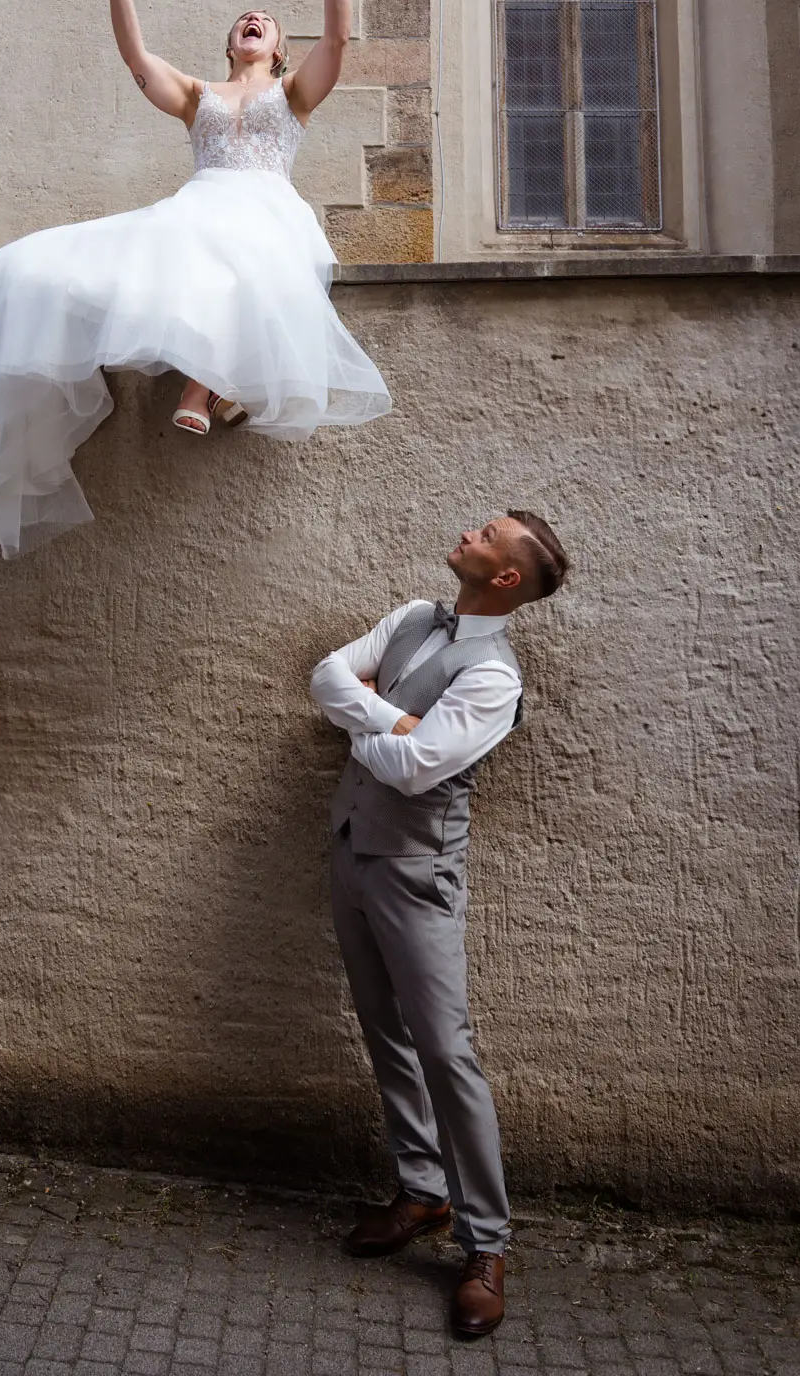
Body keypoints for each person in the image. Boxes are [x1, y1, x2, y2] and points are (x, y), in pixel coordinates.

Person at [0, 0, 390, 557]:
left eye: (263, 21)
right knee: (50, 259)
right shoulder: (197, 94)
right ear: (231, 46)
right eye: (242, 22)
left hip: (265, 210)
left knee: (238, 250)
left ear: (280, 49)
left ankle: (203, 387)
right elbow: (138, 58)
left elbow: (340, 40)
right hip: (201, 205)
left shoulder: (293, 94)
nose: (251, 21)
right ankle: (211, 384)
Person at [310, 512, 569, 1340]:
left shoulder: (494, 678)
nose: (470, 532)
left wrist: (366, 720)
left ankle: (486, 1247)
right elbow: (323, 679)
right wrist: (386, 716)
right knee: (383, 1031)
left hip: (418, 877)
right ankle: (421, 1192)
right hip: (353, 853)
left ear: (505, 579)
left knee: (446, 1055)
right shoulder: (414, 616)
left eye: (487, 534)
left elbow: (418, 773)